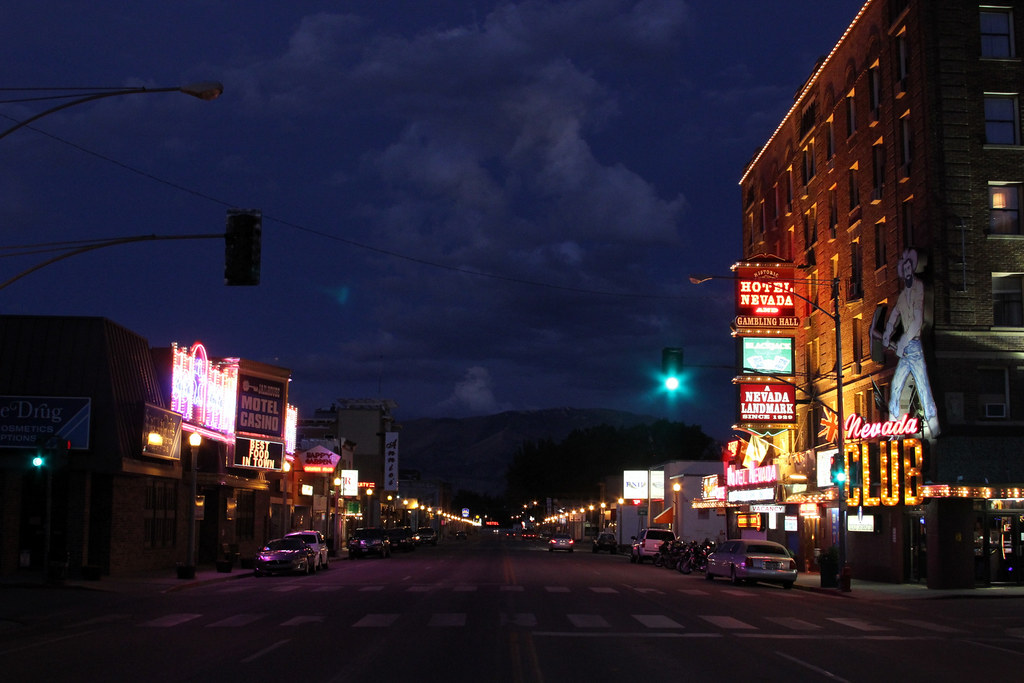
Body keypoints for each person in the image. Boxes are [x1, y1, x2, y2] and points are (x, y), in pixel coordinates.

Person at [880, 248, 940, 437]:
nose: (906, 271)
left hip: (914, 346)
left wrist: (903, 342)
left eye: (909, 267)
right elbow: (894, 316)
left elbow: (917, 320)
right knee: (896, 385)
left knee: (923, 386)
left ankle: (934, 423)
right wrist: (887, 333)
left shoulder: (918, 288)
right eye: (904, 269)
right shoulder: (902, 295)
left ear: (912, 269)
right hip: (906, 350)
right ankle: (893, 426)